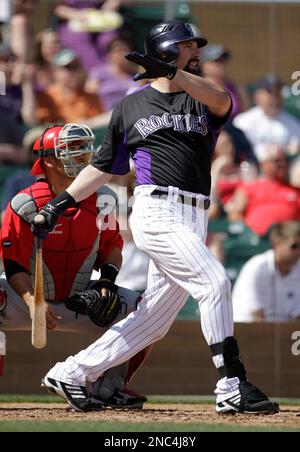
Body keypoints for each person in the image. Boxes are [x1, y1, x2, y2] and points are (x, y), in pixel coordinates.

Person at [33, 20, 279, 415]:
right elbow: (102, 168)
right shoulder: (131, 105)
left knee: (154, 321)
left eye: (196, 45)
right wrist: (59, 204)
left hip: (195, 214)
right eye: (186, 45)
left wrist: (174, 71)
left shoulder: (203, 97)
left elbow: (221, 101)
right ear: (164, 50)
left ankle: (71, 372)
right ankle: (231, 382)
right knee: (214, 280)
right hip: (157, 210)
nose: (196, 50)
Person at [0, 123, 149, 411]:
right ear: (48, 160)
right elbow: (13, 262)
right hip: (25, 297)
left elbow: (112, 249)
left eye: (84, 149)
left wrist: (106, 282)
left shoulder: (104, 198)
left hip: (80, 298)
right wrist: (33, 302)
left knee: (143, 308)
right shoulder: (24, 204)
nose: (83, 156)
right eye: (73, 150)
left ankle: (108, 388)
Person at [233, 221, 300, 323]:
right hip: (245, 334)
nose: (298, 251)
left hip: (282, 334)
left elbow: (297, 318)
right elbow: (257, 318)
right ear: (277, 243)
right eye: (294, 246)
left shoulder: (297, 271)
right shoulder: (257, 268)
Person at [227, 144, 300, 236]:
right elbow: (235, 214)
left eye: (284, 160)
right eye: (277, 161)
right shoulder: (249, 187)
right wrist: (248, 234)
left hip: (289, 242)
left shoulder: (296, 191)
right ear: (264, 164)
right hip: (255, 241)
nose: (282, 164)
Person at [233, 75, 300, 158]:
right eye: (270, 92)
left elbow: (295, 149)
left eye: (277, 92)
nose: (274, 98)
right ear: (256, 96)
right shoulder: (242, 121)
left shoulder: (293, 123)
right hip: (250, 167)